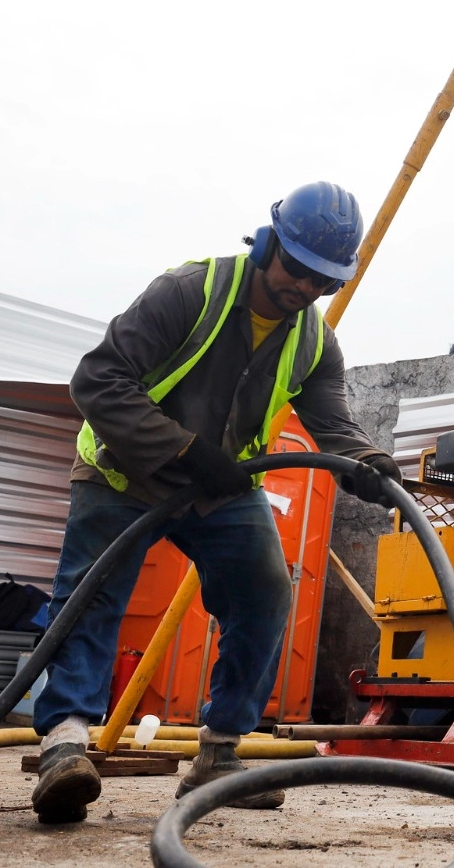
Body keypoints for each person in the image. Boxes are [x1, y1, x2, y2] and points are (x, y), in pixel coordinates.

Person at [29, 181, 402, 825]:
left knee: (263, 591)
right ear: (266, 244)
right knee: (90, 598)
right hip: (124, 471)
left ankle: (220, 753)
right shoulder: (188, 292)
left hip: (220, 489)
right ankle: (64, 744)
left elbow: (333, 424)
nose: (305, 289)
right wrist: (180, 449)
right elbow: (96, 380)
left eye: (324, 282)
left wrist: (367, 463)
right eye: (297, 269)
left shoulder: (314, 341)